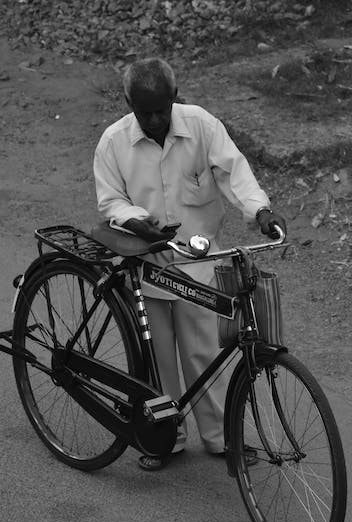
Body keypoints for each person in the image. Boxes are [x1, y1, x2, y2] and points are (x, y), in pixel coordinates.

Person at [93, 57, 286, 471]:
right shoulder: (113, 142)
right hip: (146, 266)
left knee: (205, 354)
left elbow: (234, 172)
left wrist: (260, 211)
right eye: (143, 112)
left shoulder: (201, 125)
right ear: (127, 103)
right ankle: (165, 438)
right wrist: (137, 223)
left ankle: (219, 438)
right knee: (157, 359)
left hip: (199, 266)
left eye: (161, 109)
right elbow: (110, 201)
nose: (154, 119)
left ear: (174, 99)